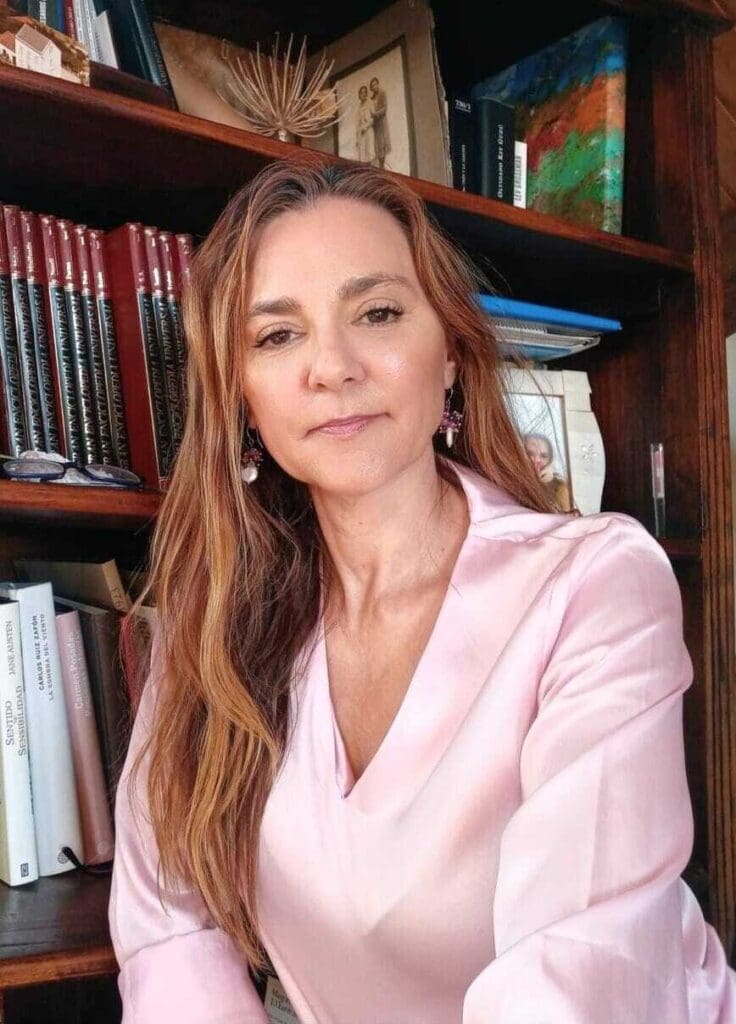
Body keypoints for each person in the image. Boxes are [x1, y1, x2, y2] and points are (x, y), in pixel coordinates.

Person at [109, 159, 736, 1023]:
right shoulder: (209, 625)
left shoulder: (594, 586)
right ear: (241, 399)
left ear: (449, 356)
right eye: (277, 335)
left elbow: (579, 978)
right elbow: (168, 930)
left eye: (377, 313)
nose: (332, 367)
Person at [523, 431, 572, 511]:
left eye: (544, 456)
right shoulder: (511, 482)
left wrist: (545, 484)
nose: (537, 460)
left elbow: (568, 515)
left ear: (550, 460)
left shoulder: (560, 488)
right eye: (529, 454)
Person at [369, 75, 390, 169]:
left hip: (381, 121)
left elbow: (385, 108)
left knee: (382, 143)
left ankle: (382, 165)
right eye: (372, 86)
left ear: (378, 84)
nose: (374, 87)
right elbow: (370, 110)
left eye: (375, 84)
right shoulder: (372, 98)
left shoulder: (382, 93)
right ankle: (379, 164)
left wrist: (376, 114)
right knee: (377, 144)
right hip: (375, 124)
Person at [355, 84, 375, 164]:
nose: (363, 94)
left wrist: (365, 127)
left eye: (365, 92)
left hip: (368, 131)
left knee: (369, 154)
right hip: (361, 133)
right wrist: (357, 138)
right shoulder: (359, 107)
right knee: (362, 156)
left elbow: (373, 118)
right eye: (361, 93)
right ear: (359, 95)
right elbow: (358, 122)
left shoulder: (370, 103)